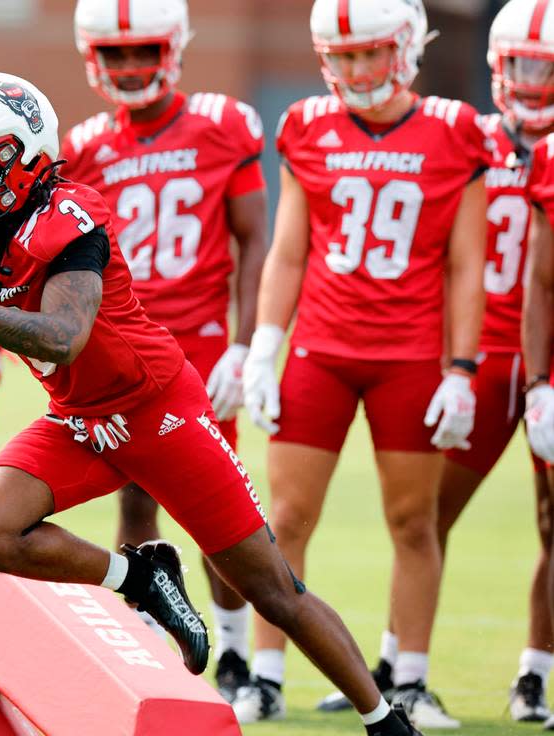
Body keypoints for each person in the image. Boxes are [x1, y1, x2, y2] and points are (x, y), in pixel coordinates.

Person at [0, 69, 422, 736]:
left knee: (273, 591)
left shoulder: (69, 222)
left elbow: (64, 336)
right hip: (79, 421)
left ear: (21, 163)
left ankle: (386, 721)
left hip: (157, 412)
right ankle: (140, 576)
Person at [238, 0, 490, 727]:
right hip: (321, 347)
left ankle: (408, 679)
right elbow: (289, 250)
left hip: (410, 354)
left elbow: (466, 264)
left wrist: (462, 369)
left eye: (369, 53)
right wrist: (264, 347)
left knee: (414, 522)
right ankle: (265, 675)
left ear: (405, 47)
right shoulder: (307, 125)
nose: (354, 69)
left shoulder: (454, 129)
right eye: (341, 55)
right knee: (282, 518)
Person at [319, 0, 554, 723]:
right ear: (497, 66)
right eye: (522, 65)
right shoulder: (466, 136)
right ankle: (395, 665)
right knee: (425, 513)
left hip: (543, 362)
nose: (534, 81)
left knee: (552, 523)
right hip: (478, 353)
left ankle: (534, 674)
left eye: (547, 68)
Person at [60, 0, 268, 701]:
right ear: (93, 57)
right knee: (133, 500)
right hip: (125, 347)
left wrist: (246, 344)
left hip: (203, 345)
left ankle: (237, 658)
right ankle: (151, 649)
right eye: (115, 54)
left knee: (217, 511)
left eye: (141, 50)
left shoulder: (221, 123)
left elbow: (254, 241)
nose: (128, 65)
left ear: (173, 47)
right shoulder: (84, 144)